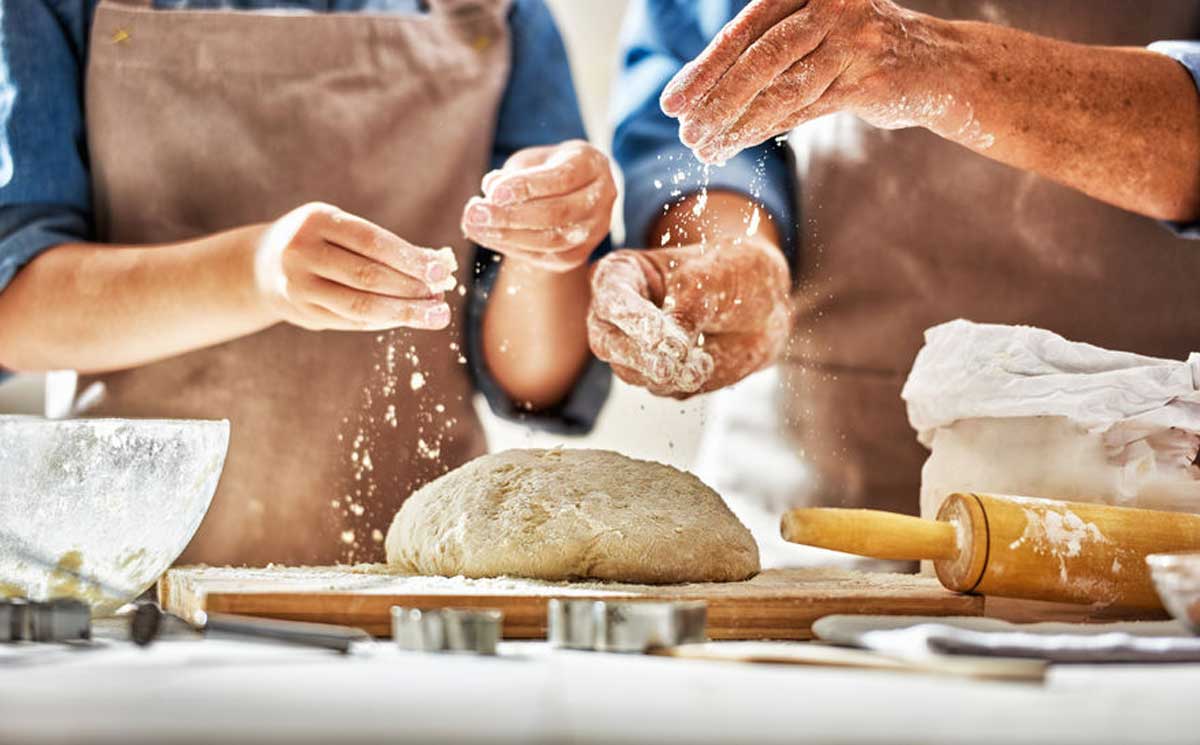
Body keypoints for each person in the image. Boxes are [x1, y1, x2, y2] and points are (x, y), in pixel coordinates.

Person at [0, 0, 617, 566]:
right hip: (138, 581)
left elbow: (538, 381)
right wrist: (253, 273)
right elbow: (17, 311)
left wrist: (548, 246)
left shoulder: (504, 15)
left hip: (415, 594)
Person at [596, 0, 1200, 544]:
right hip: (814, 506)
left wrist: (937, 65)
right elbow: (700, 74)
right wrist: (736, 254)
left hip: (1152, 489)